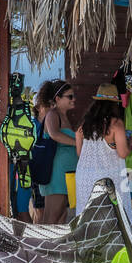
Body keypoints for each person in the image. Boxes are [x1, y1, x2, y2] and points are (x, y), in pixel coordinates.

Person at [73, 84, 132, 221]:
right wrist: (131, 143)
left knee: (87, 221)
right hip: (107, 179)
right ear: (114, 104)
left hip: (84, 178)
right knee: (113, 219)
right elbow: (123, 153)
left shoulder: (86, 123)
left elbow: (80, 154)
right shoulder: (116, 124)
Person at [36, 79, 79, 224]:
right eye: (70, 96)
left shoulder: (64, 116)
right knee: (51, 218)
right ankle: (42, 246)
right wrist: (78, 143)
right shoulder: (53, 114)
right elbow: (54, 134)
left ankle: (53, 246)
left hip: (66, 174)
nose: (74, 99)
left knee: (61, 216)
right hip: (56, 174)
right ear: (57, 98)